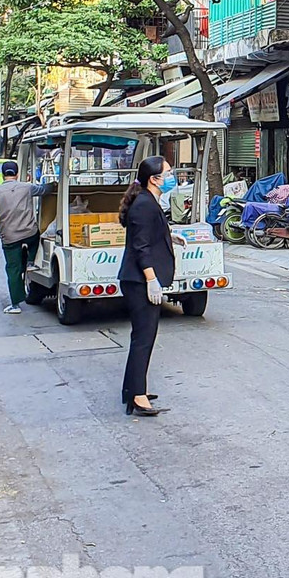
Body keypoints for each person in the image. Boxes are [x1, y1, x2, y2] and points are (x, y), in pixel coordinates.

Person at [118, 156, 182, 417]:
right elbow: (140, 246)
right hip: (138, 281)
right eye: (168, 173)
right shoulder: (144, 204)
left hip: (138, 279)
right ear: (154, 179)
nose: (172, 177)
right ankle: (137, 396)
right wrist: (151, 280)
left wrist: (169, 236)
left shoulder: (148, 200)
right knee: (144, 338)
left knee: (142, 337)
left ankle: (132, 389)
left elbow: (146, 234)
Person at [0, 161, 56, 315]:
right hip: (29, 233)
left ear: (3, 175)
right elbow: (44, 190)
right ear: (17, 174)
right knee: (35, 238)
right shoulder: (27, 187)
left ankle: (15, 304)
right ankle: (31, 261)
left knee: (13, 269)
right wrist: (54, 184)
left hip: (9, 238)